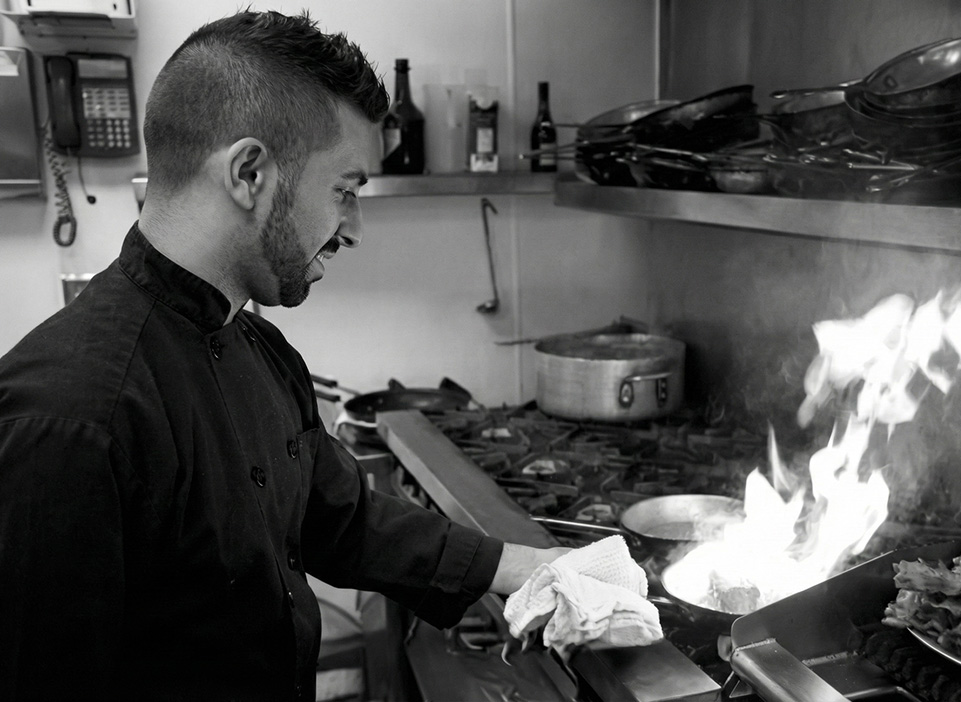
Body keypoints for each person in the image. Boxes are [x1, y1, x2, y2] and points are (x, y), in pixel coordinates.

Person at [0, 10, 568, 701]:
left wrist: (535, 567)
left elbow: (342, 520)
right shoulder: (72, 418)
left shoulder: (259, 347)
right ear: (250, 173)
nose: (352, 228)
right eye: (346, 190)